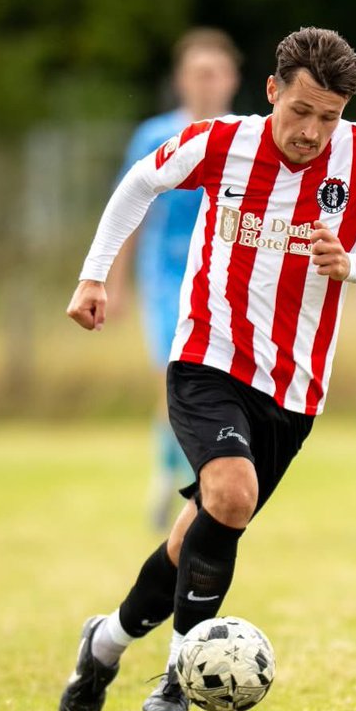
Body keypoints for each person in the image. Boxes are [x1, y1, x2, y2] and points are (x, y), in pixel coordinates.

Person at [58, 27, 356, 711]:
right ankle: (178, 671)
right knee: (231, 491)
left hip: (294, 390)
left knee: (202, 524)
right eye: (301, 112)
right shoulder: (222, 141)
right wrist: (93, 274)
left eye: (330, 116)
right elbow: (140, 182)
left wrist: (355, 262)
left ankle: (104, 642)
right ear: (271, 92)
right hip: (207, 357)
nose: (314, 132)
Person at [107, 28, 241, 531]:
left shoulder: (246, 135)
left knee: (216, 383)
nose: (207, 82)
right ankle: (178, 480)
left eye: (216, 72)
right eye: (197, 73)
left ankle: (190, 478)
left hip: (224, 280)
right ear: (181, 80)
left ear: (232, 78)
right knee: (176, 376)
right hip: (166, 278)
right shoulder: (153, 137)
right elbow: (128, 212)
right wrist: (109, 281)